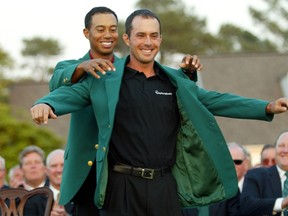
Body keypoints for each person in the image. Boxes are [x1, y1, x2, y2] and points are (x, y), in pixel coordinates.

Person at [30, 9, 288, 216]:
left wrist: (266, 107)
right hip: (120, 188)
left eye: (154, 36)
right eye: (141, 35)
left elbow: (215, 100)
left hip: (165, 187)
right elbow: (71, 94)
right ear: (128, 39)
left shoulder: (174, 81)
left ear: (160, 40)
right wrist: (47, 104)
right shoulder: (106, 78)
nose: (148, 42)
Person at [48, 6, 202, 216]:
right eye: (100, 29)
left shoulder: (128, 70)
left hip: (120, 178)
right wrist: (82, 67)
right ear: (87, 33)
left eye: (112, 29)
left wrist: (188, 75)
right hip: (86, 174)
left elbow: (160, 90)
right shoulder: (72, 67)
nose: (107, 35)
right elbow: (56, 85)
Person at [241, 130, 288, 216]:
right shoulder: (256, 176)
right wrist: (282, 203)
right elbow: (247, 206)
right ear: (275, 149)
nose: (285, 150)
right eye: (281, 145)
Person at [46, 149, 69, 216]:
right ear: (46, 171)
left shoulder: (81, 196)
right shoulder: (35, 198)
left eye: (62, 165)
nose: (59, 170)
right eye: (54, 166)